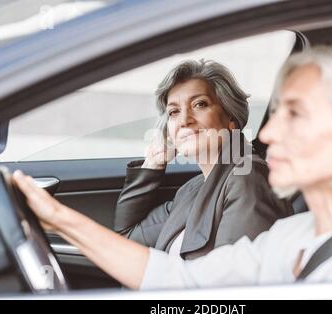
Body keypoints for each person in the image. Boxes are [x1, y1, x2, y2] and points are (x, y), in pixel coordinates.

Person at [13, 46, 332, 290]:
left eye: (295, 114)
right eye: (174, 112)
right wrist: (58, 219)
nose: (271, 131)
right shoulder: (291, 233)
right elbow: (185, 283)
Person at [113, 59, 291, 259]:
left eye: (199, 104)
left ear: (231, 119)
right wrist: (153, 163)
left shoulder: (247, 178)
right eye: (174, 112)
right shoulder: (192, 189)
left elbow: (234, 280)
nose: (184, 120)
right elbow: (127, 239)